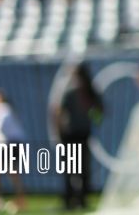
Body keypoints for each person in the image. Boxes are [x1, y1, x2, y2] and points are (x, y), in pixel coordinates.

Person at [54, 63, 103, 211]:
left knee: (77, 169)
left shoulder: (83, 92)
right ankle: (75, 200)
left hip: (76, 134)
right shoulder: (79, 91)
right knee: (75, 169)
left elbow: (98, 112)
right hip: (75, 134)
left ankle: (77, 200)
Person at [0, 89, 28, 213]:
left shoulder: (2, 108)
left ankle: (20, 200)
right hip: (3, 145)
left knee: (11, 173)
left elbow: (0, 127)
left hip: (7, 144)